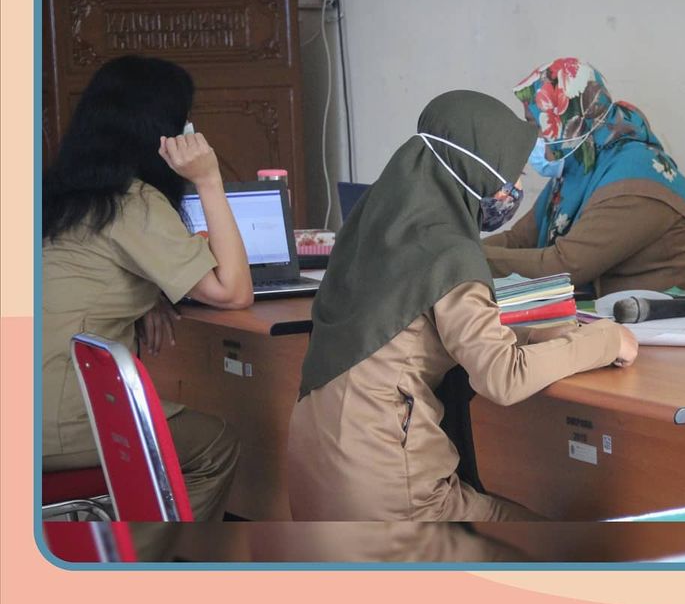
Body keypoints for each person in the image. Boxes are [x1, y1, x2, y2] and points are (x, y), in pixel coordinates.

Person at [287, 89, 638, 523]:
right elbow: (503, 376)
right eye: (513, 176)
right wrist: (607, 340)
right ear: (478, 174)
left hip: (315, 468)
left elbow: (424, 328)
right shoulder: (449, 251)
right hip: (384, 486)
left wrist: (538, 333)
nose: (516, 190)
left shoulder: (376, 228)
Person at [43, 56, 252, 520]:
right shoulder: (129, 202)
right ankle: (155, 557)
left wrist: (148, 295)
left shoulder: (57, 197)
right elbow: (233, 292)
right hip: (57, 425)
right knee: (215, 444)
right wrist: (208, 179)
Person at [483, 58, 685, 297]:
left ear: (567, 123)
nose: (528, 138)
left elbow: (564, 267)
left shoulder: (633, 177)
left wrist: (471, 260)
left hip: (681, 313)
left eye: (535, 126)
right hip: (623, 308)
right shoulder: (581, 167)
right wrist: (467, 251)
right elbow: (520, 239)